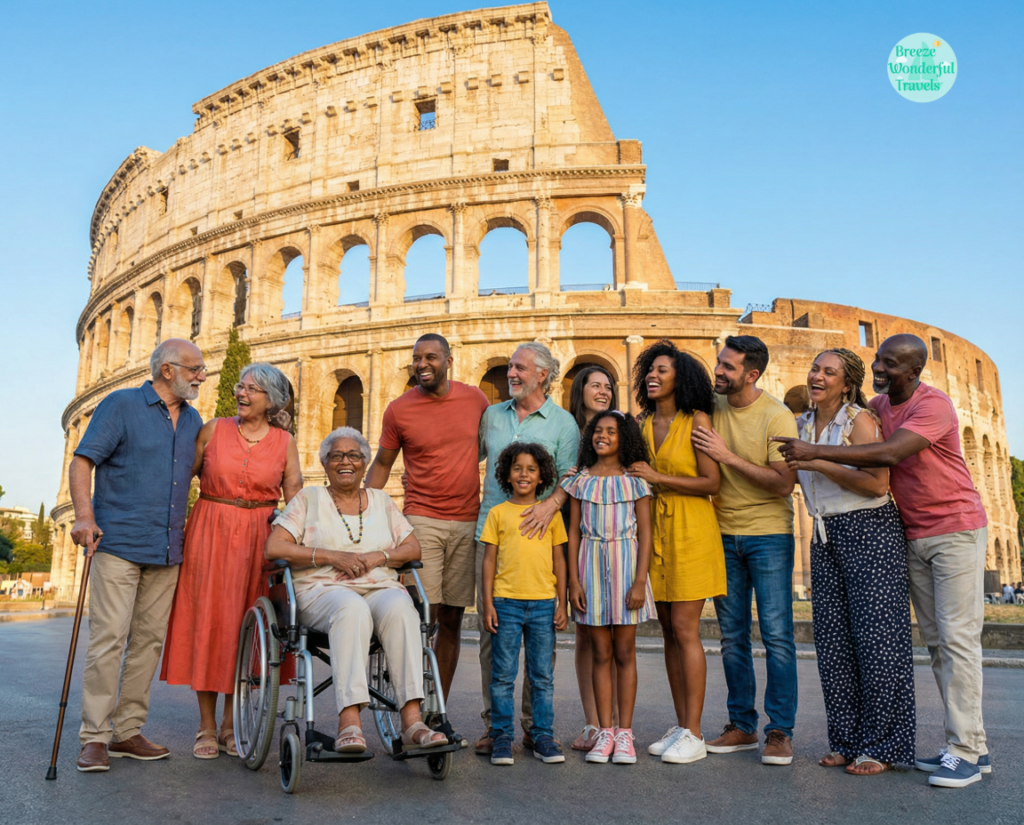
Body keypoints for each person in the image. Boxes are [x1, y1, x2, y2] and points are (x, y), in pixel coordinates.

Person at [776, 333, 990, 788]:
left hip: (954, 527)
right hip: (908, 529)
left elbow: (886, 464)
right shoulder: (877, 406)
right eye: (878, 359)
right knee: (928, 642)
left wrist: (814, 455)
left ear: (915, 371)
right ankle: (968, 745)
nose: (881, 368)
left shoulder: (933, 406)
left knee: (951, 640)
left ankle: (964, 751)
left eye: (891, 363)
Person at [69, 339, 206, 772]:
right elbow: (83, 461)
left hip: (166, 547)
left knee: (147, 642)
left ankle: (127, 730)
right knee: (109, 638)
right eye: (195, 368)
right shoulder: (121, 405)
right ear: (168, 370)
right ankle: (94, 736)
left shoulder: (194, 420)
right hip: (119, 543)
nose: (202, 375)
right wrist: (83, 516)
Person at [265, 427, 446, 751]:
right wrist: (331, 556)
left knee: (402, 609)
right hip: (322, 590)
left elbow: (413, 548)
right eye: (336, 456)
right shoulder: (309, 499)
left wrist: (381, 555)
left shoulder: (381, 500)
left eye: (353, 456)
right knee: (351, 608)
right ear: (325, 464)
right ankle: (349, 720)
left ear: (364, 463)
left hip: (378, 585)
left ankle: (412, 720)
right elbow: (275, 548)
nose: (345, 462)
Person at [161, 363, 303, 759]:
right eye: (241, 386)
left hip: (259, 539)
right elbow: (180, 479)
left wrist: (303, 547)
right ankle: (207, 726)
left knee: (244, 627)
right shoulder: (213, 429)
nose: (241, 393)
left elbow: (295, 499)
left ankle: (230, 723)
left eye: (252, 389)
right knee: (208, 622)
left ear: (270, 400)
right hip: (210, 531)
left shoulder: (284, 442)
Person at [786, 349, 915, 775]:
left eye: (829, 372)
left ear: (846, 384)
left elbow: (878, 483)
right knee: (834, 645)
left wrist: (817, 458)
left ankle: (880, 746)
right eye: (815, 369)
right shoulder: (802, 425)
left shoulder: (858, 420)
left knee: (878, 642)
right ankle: (844, 739)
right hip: (824, 535)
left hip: (870, 530)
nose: (817, 376)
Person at [691, 335, 799, 766]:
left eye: (728, 367)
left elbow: (783, 483)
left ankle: (780, 731)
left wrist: (726, 455)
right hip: (722, 532)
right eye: (719, 362)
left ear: (752, 375)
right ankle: (742, 725)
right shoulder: (711, 408)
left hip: (769, 533)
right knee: (732, 638)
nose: (718, 371)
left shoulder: (777, 415)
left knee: (777, 636)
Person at [366, 334, 489, 701]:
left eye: (430, 357)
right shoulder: (399, 409)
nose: (421, 364)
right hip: (422, 518)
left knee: (452, 619)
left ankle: (439, 706)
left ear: (449, 361)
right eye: (417, 358)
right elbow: (383, 463)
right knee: (424, 615)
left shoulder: (475, 399)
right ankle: (412, 703)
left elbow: (486, 449)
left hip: (468, 520)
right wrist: (363, 512)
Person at [474, 342, 580, 754]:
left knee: (540, 650)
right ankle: (494, 727)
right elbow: (468, 459)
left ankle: (536, 728)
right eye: (509, 367)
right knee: (492, 637)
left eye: (519, 368)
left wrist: (551, 504)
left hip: (539, 538)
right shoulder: (491, 416)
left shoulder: (563, 423)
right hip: (491, 530)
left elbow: (571, 474)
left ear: (542, 375)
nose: (510, 374)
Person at [625, 340, 724, 765]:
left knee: (684, 628)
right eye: (649, 369)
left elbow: (711, 483)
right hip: (656, 532)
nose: (652, 375)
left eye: (662, 370)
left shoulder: (696, 420)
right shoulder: (643, 424)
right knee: (666, 629)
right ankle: (683, 725)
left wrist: (657, 476)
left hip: (691, 528)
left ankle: (696, 733)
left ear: (679, 378)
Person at [565, 411, 654, 764]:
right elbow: (573, 533)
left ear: (625, 438)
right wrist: (573, 580)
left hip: (626, 567)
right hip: (589, 569)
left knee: (625, 652)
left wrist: (639, 581)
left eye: (611, 431)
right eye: (597, 431)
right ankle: (604, 732)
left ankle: (625, 734)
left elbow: (645, 534)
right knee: (600, 653)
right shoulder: (581, 481)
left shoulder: (635, 481)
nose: (603, 436)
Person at [481, 442, 568, 766]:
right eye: (517, 468)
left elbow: (559, 560)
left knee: (542, 674)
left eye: (531, 469)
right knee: (503, 674)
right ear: (506, 473)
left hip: (544, 602)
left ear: (542, 476)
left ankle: (542, 734)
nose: (524, 474)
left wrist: (563, 603)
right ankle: (502, 736)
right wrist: (487, 603)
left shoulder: (551, 514)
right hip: (506, 602)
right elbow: (488, 561)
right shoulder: (498, 513)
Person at [564, 365, 618, 752]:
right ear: (579, 390)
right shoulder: (567, 430)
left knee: (613, 636)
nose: (603, 391)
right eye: (595, 385)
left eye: (608, 386)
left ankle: (613, 722)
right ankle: (592, 722)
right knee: (585, 633)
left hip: (612, 534)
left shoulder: (619, 427)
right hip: (574, 529)